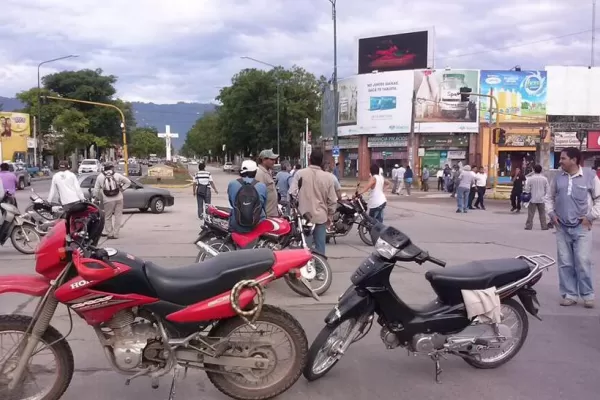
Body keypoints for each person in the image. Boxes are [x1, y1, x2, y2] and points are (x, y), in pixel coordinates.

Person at [547, 147, 600, 308]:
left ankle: (587, 295)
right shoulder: (557, 178)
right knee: (565, 263)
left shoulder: (590, 176)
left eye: (563, 158)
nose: (560, 161)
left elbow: (599, 200)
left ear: (574, 160)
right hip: (562, 227)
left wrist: (590, 216)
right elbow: (548, 197)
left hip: (582, 228)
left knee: (583, 261)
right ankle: (569, 294)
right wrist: (551, 214)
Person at [289, 148, 337, 255]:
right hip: (321, 217)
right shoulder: (329, 177)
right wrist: (330, 215)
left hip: (304, 218)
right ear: (322, 162)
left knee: (306, 249)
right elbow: (333, 200)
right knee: (320, 249)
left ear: (309, 160)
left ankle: (307, 269)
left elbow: (292, 193)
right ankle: (320, 269)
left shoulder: (299, 174)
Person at [227, 160, 267, 234]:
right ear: (255, 172)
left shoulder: (232, 184)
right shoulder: (262, 186)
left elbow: (231, 203)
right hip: (257, 224)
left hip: (236, 224)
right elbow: (263, 206)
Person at [93, 163, 131, 239]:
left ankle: (110, 233)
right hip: (119, 198)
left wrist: (96, 198)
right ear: (111, 168)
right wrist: (122, 189)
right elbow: (128, 182)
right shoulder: (117, 175)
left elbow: (96, 189)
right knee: (118, 216)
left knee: (108, 217)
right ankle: (116, 234)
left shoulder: (100, 177)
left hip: (107, 199)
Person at [524, 164, 549, 231]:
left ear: (534, 170)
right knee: (542, 213)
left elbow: (527, 189)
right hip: (541, 199)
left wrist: (528, 194)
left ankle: (528, 226)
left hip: (532, 198)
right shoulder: (544, 179)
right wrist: (544, 196)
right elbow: (547, 189)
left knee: (531, 214)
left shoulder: (531, 179)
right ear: (541, 170)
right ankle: (544, 226)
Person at [255, 149, 279, 217]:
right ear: (263, 160)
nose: (274, 161)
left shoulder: (267, 172)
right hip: (267, 216)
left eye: (274, 159)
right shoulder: (260, 174)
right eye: (271, 159)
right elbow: (259, 197)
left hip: (272, 213)